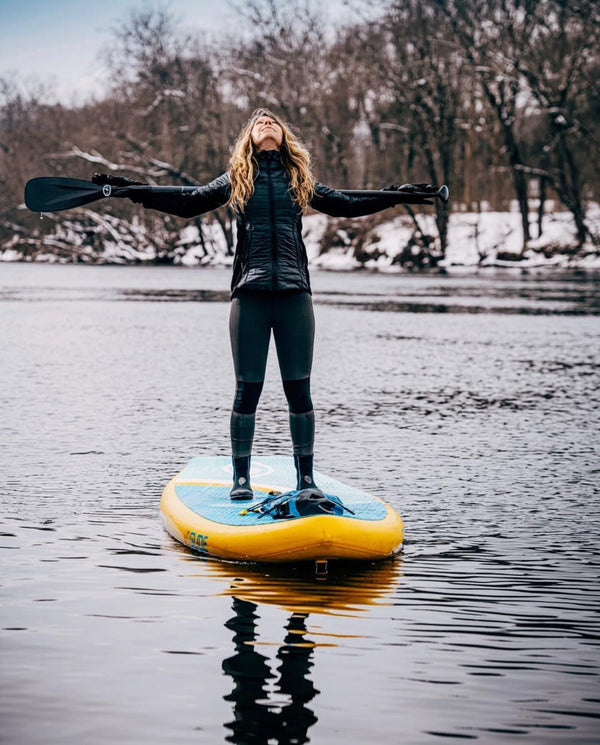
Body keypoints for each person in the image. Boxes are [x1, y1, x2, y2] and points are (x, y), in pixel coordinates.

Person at [92, 108, 432, 501]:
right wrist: (131, 189)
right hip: (249, 296)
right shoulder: (237, 179)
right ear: (249, 138)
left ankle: (306, 481)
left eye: (272, 121)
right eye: (259, 122)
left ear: (284, 136)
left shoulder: (298, 179)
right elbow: (188, 202)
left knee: (299, 392)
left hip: (294, 296)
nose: (266, 122)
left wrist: (394, 197)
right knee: (246, 392)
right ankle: (241, 480)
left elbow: (346, 204)